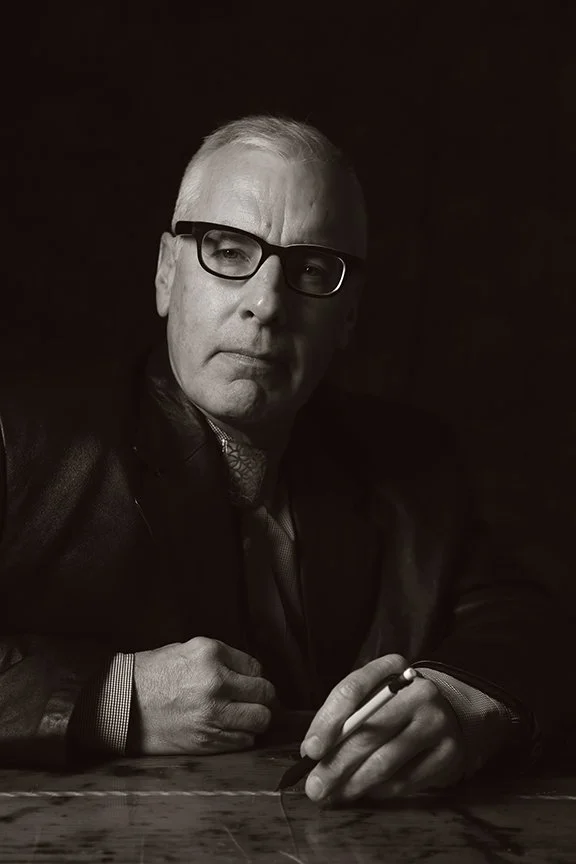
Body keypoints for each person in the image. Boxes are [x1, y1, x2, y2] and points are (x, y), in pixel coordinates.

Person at [0, 115, 569, 805]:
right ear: (167, 273)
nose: (266, 305)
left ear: (349, 316)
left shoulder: (415, 461)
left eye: (311, 270)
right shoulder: (21, 440)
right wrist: (107, 698)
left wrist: (464, 699)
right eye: (229, 251)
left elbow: (528, 624)